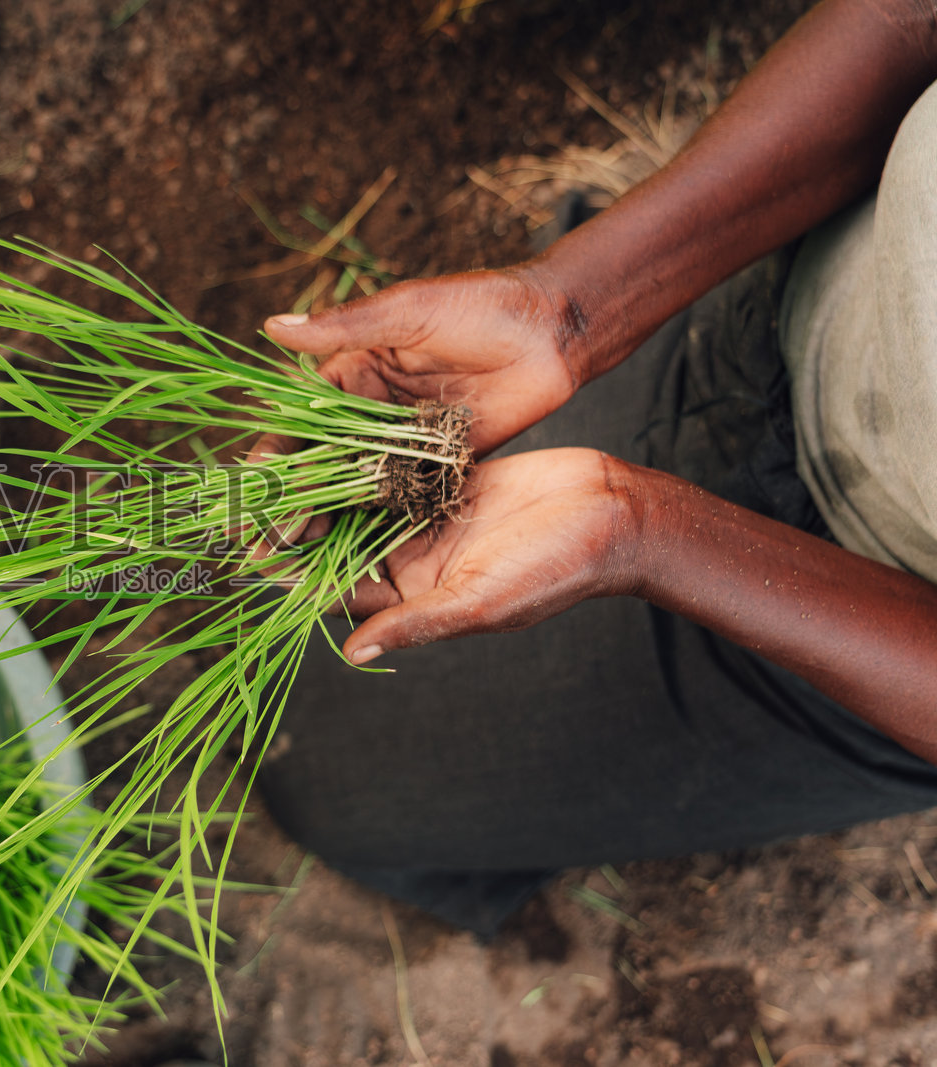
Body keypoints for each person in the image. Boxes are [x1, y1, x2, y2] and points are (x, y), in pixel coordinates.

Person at [252, 0, 937, 936]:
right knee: (274, 588)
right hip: (802, 283)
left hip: (867, 607)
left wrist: (640, 531)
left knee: (318, 773)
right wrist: (571, 307)